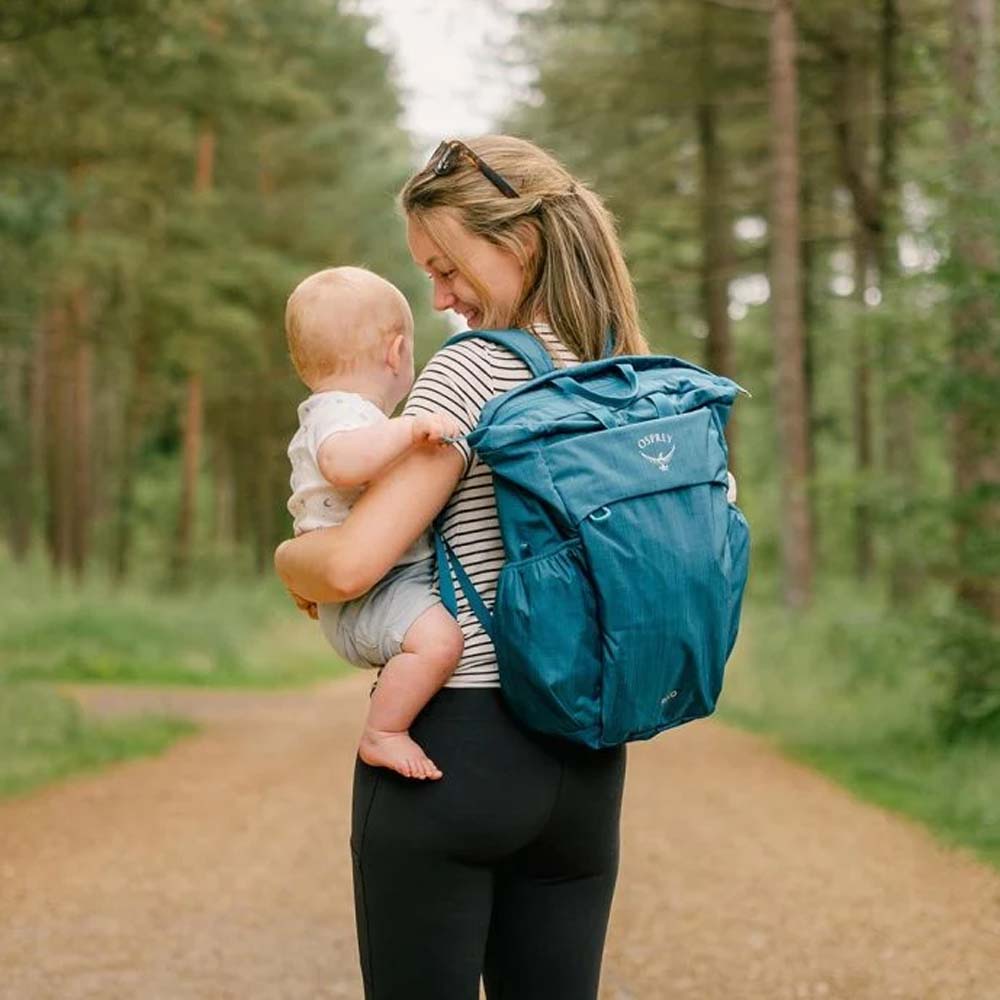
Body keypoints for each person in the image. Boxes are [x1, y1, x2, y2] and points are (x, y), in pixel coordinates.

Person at [275, 135, 649, 1000]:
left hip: (459, 745)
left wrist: (288, 558)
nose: (438, 297)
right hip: (586, 765)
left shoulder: (477, 368)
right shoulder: (622, 373)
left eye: (446, 267)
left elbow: (354, 564)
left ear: (515, 243)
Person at [284, 266, 464, 781]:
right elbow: (343, 463)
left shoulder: (339, 413)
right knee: (440, 643)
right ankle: (382, 732)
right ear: (396, 352)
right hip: (373, 595)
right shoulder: (341, 413)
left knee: (434, 641)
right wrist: (411, 430)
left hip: (370, 591)